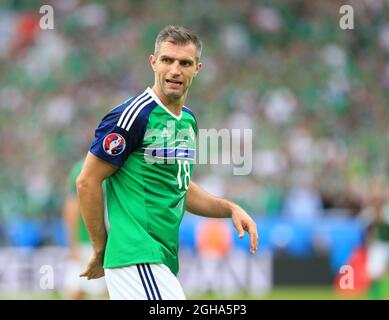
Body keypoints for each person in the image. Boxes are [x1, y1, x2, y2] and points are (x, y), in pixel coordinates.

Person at [76, 25, 258, 300]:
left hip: (159, 258)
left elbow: (179, 186)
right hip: (137, 255)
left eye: (184, 63)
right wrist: (101, 249)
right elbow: (87, 180)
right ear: (153, 62)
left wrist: (229, 207)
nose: (175, 70)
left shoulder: (188, 120)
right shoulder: (132, 116)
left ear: (197, 68)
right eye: (167, 60)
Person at [62, 158, 107, 299]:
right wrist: (73, 244)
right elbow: (72, 208)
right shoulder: (82, 168)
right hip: (89, 241)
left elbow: (70, 208)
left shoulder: (82, 167)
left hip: (99, 241)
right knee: (78, 289)